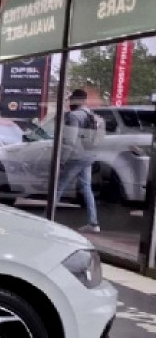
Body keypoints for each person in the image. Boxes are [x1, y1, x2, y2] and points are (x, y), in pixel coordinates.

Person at [54, 89, 100, 233]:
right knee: (86, 187)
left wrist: (62, 160)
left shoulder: (74, 116)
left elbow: (70, 141)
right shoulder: (92, 115)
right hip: (89, 155)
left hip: (76, 156)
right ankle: (93, 223)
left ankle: (47, 217)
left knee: (58, 186)